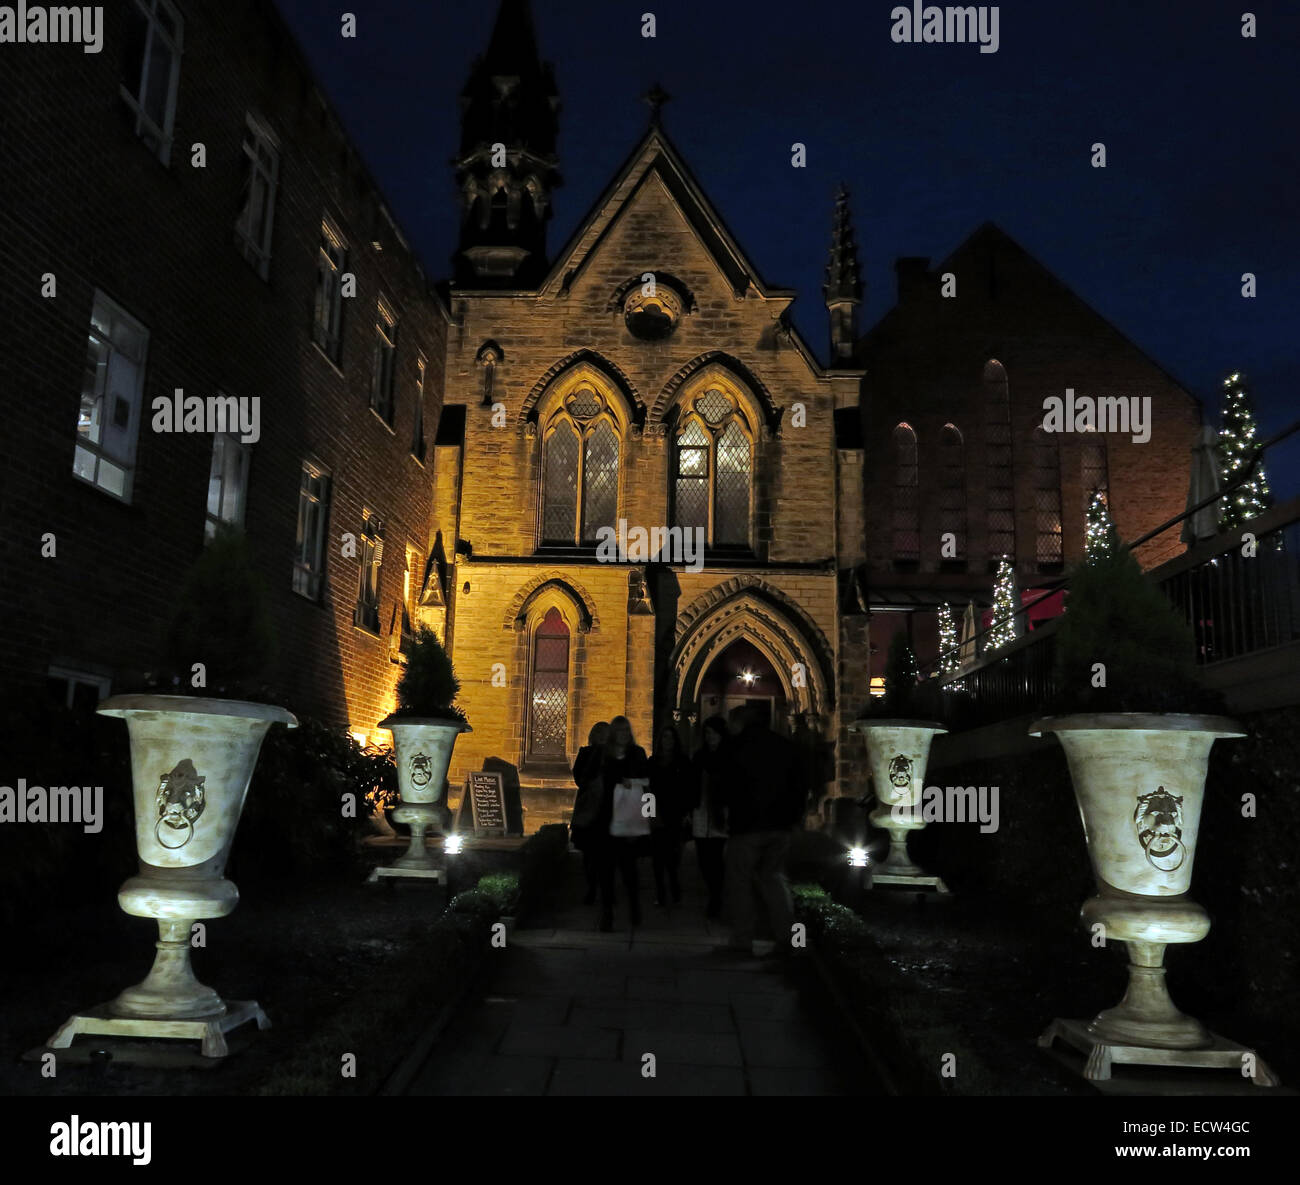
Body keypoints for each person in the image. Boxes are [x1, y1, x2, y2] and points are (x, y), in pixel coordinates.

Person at [721, 704, 809, 957]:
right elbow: (799, 785)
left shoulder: (737, 747)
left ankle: (742, 940)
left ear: (741, 723)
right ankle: (789, 939)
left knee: (740, 882)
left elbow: (726, 783)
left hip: (747, 825)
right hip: (780, 825)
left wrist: (725, 811)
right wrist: (794, 817)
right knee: (774, 879)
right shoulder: (785, 747)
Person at [595, 715, 648, 931]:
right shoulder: (604, 755)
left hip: (629, 817)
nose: (623, 734)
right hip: (606, 817)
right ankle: (607, 912)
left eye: (626, 730)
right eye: (619, 731)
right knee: (605, 870)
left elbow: (647, 783)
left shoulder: (637, 754)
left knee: (629, 869)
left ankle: (634, 907)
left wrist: (648, 816)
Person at [690, 716, 730, 918]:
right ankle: (715, 892)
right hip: (701, 811)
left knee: (716, 858)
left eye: (713, 733)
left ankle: (716, 898)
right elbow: (691, 784)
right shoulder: (699, 756)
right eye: (707, 733)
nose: (710, 737)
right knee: (703, 859)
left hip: (719, 813)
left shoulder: (728, 757)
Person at [648, 724, 691, 907]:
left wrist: (686, 813)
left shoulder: (682, 762)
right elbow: (647, 789)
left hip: (675, 814)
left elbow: (687, 789)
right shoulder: (652, 762)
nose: (668, 741)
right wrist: (649, 814)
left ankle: (674, 886)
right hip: (657, 813)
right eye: (665, 737)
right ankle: (661, 893)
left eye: (671, 738)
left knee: (673, 856)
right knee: (657, 857)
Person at [570, 721, 610, 905]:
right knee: (588, 853)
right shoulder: (586, 753)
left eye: (605, 734)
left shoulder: (612, 755)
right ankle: (592, 887)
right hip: (588, 808)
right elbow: (579, 777)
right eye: (599, 734)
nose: (602, 738)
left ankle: (602, 888)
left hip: (606, 810)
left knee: (603, 853)